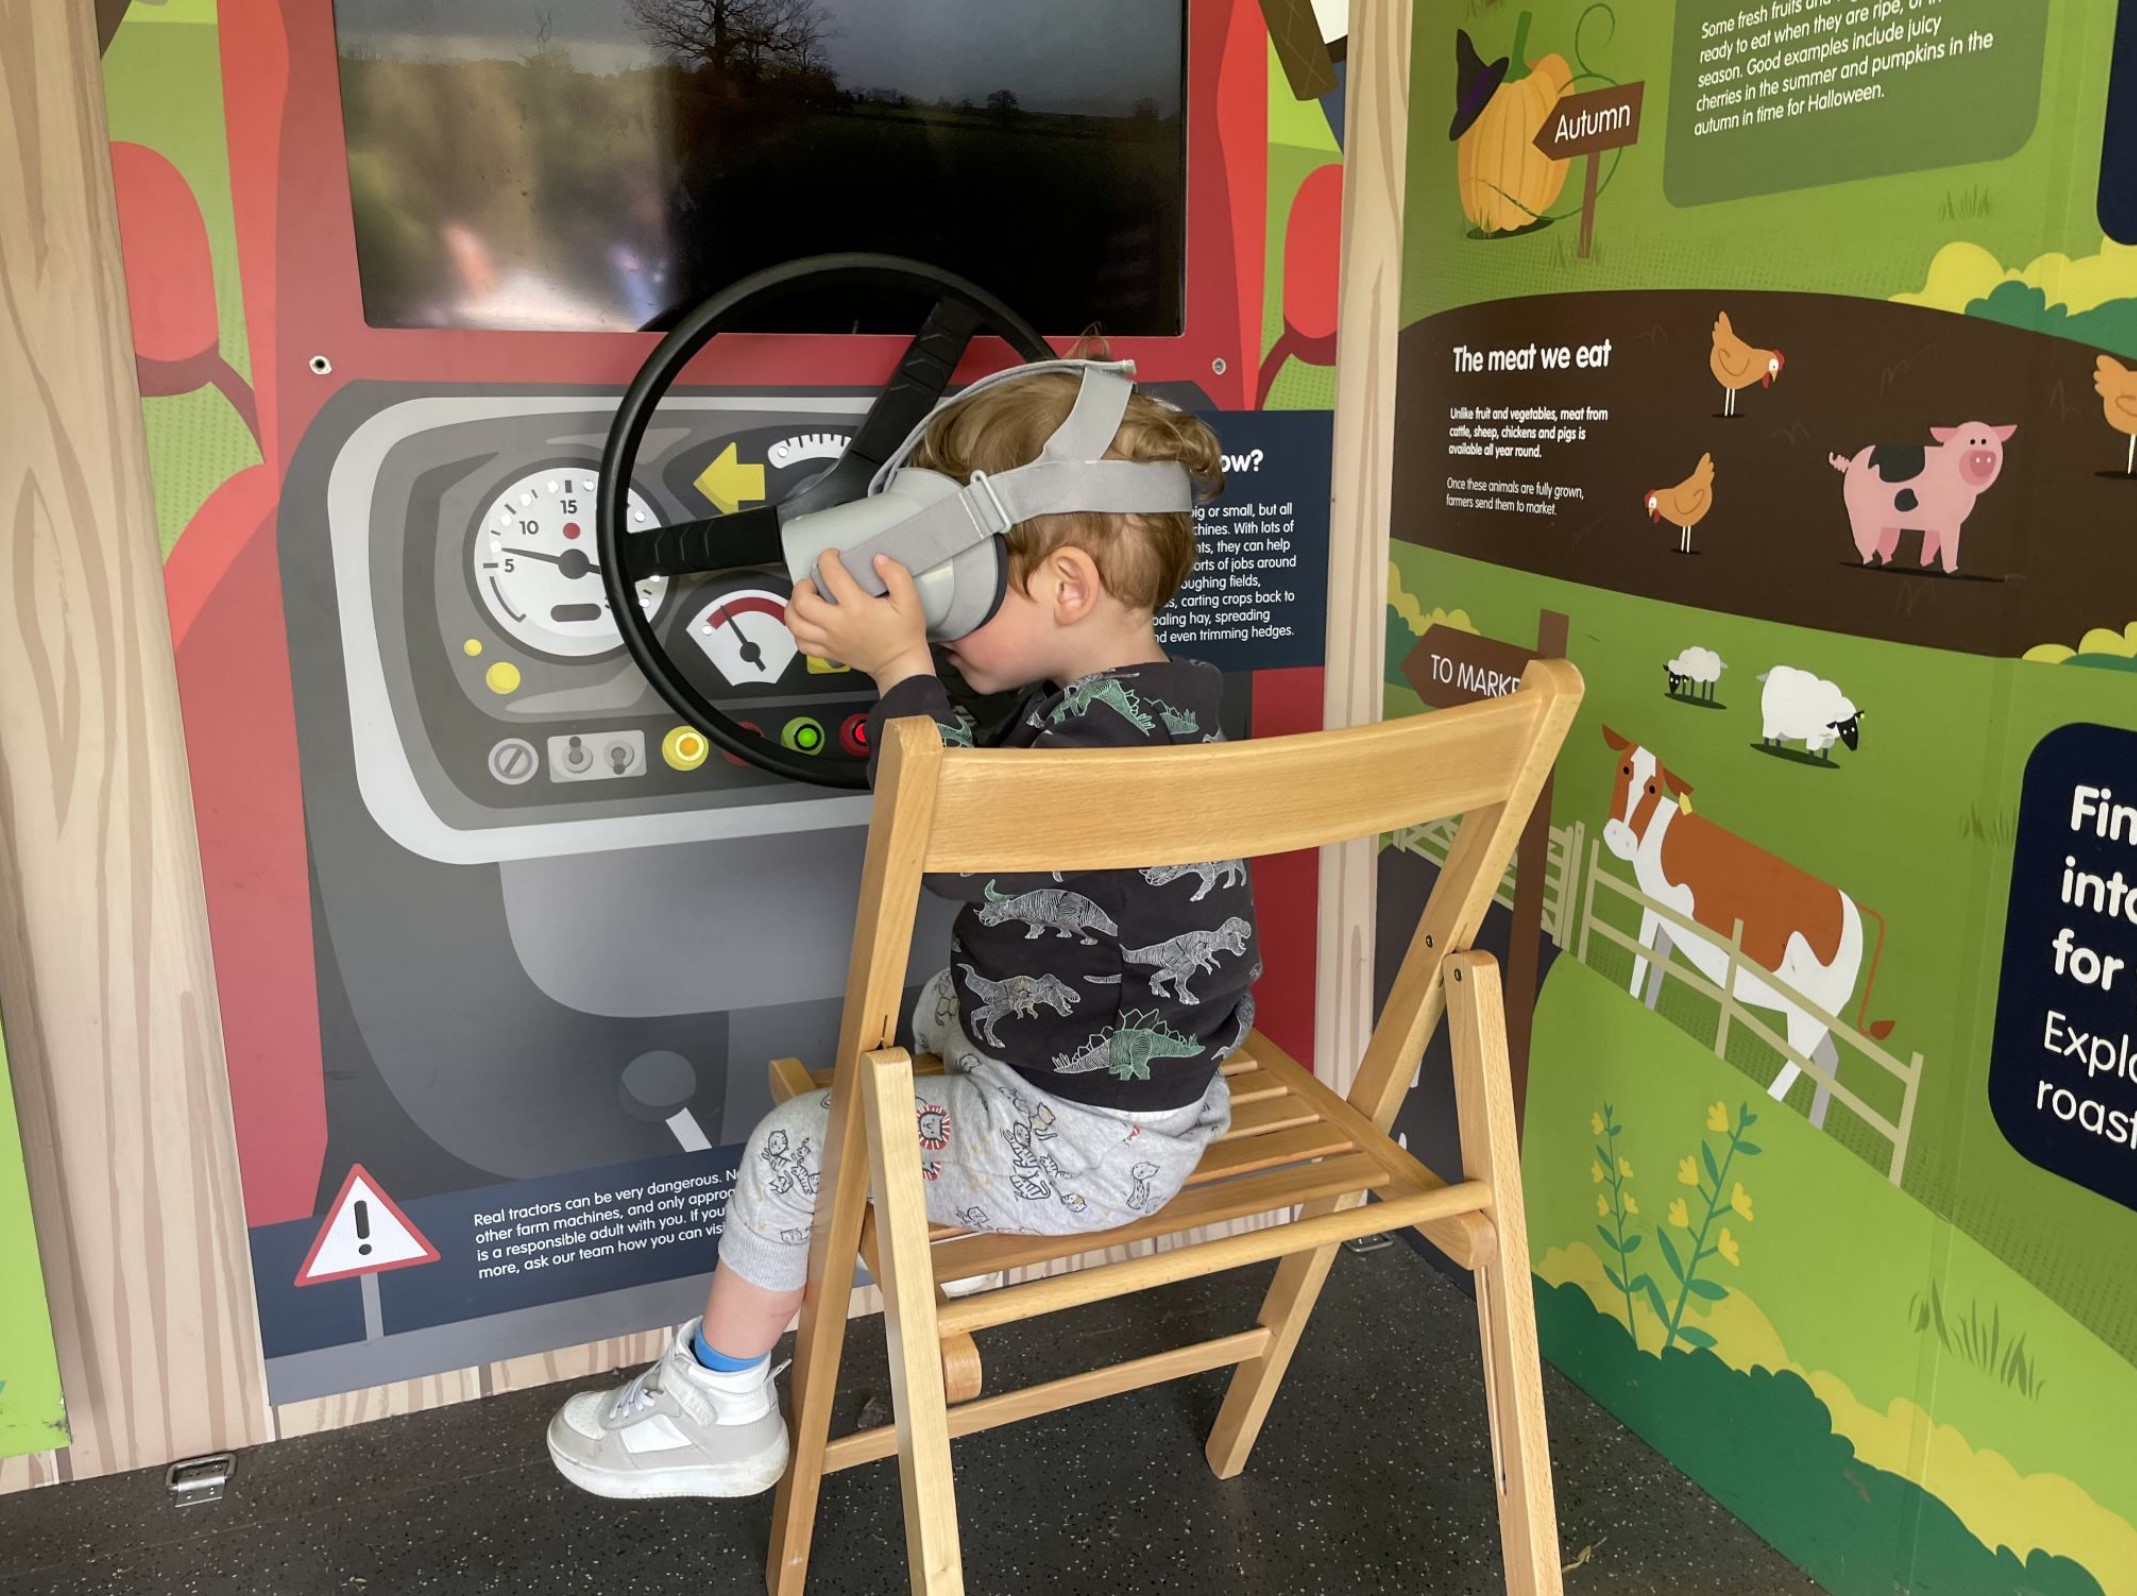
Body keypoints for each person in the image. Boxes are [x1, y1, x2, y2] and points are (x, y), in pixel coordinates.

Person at [547, 366, 1260, 1500]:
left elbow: (944, 845)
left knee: (794, 1150)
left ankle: (718, 1402)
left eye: (963, 581)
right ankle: (892, 1207)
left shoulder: (1085, 764)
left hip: (1075, 1153)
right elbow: (1005, 764)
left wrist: (897, 667)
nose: (943, 610)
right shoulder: (1174, 706)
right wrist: (927, 656)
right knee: (931, 1005)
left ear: (1066, 586)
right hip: (1146, 1084)